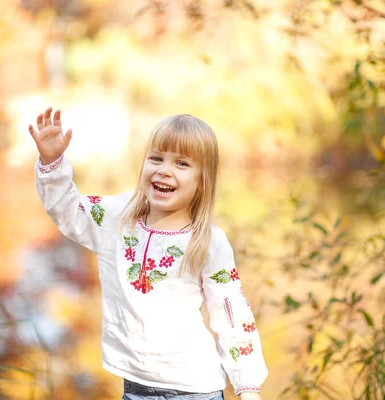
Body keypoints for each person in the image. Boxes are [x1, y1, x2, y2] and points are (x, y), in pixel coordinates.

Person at [29, 107, 268, 399]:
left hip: (194, 390)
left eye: (181, 163)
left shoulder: (207, 241)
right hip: (135, 388)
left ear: (202, 180)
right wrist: (52, 162)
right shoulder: (117, 219)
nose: (164, 170)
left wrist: (248, 387)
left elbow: (231, 312)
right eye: (156, 158)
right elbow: (68, 211)